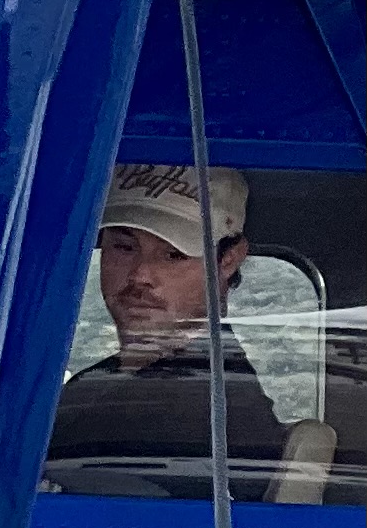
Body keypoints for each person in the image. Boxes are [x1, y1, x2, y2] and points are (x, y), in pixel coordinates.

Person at [48, 163, 286, 488]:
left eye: (174, 254)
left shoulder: (206, 412)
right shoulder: (92, 387)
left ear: (228, 260)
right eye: (124, 246)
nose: (140, 275)